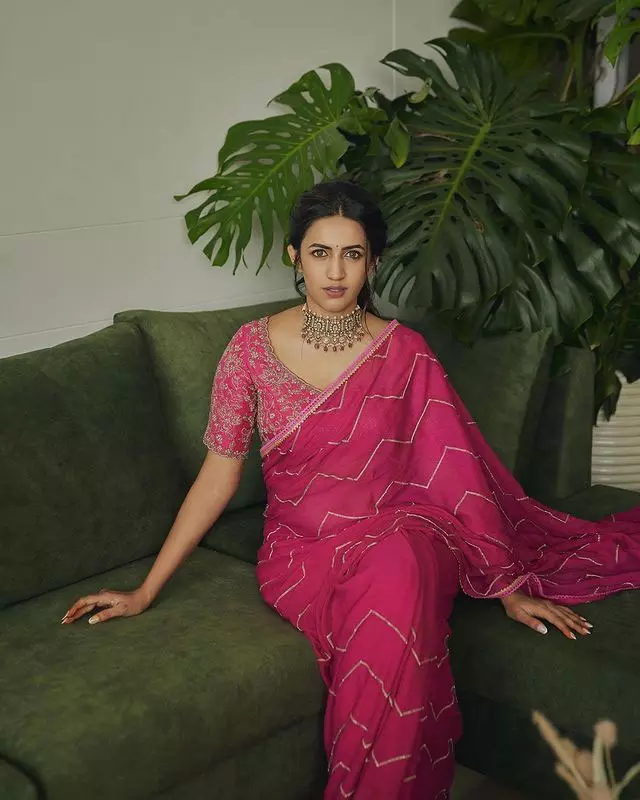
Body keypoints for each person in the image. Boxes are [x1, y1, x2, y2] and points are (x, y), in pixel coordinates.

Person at [62, 180, 640, 799]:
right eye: (320, 253)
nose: (336, 272)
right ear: (294, 256)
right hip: (302, 552)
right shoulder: (250, 350)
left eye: (352, 254)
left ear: (374, 262)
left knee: (398, 568)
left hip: (405, 530)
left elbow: (454, 471)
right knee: (393, 597)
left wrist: (506, 587)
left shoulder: (404, 352)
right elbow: (219, 473)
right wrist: (147, 588)